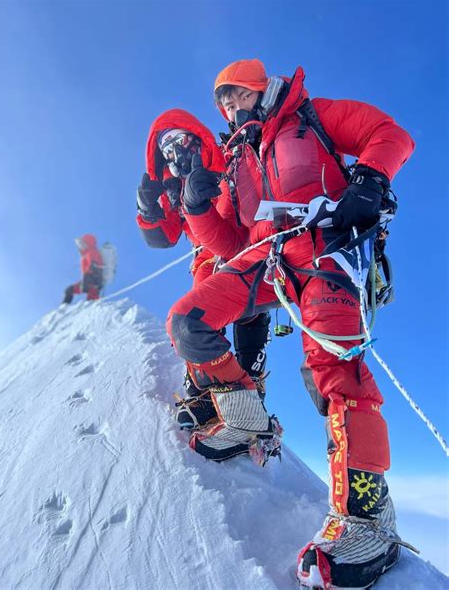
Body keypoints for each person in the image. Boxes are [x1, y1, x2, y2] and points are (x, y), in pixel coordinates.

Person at [166, 59, 415, 588]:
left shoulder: (310, 116)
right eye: (224, 105)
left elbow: (389, 133)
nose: (230, 110)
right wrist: (196, 210)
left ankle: (368, 520)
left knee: (333, 368)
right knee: (189, 321)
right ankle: (246, 420)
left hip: (325, 242)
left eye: (236, 97)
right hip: (264, 256)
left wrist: (369, 181)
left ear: (259, 89)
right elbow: (231, 244)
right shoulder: (237, 164)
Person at [137, 109, 274, 460]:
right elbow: (163, 237)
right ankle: (206, 394)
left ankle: (248, 398)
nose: (175, 155)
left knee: (239, 310)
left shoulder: (226, 164)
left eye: (179, 143)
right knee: (194, 321)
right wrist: (149, 209)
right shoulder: (174, 187)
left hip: (244, 249)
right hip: (206, 257)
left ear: (196, 138)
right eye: (166, 151)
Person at [62, 234, 104, 304]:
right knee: (69, 290)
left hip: (93, 281)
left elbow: (94, 266)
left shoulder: (92, 252)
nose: (80, 246)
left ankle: (64, 309)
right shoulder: (87, 254)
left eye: (82, 244)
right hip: (88, 280)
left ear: (88, 243)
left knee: (91, 301)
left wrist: (88, 279)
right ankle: (63, 309)